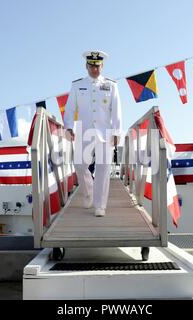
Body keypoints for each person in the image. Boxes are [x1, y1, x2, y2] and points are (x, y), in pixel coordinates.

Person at [64, 50, 122, 217]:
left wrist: (117, 131)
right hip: (84, 132)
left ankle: (100, 206)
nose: (94, 69)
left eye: (97, 66)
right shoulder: (77, 85)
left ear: (102, 66)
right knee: (80, 165)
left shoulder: (112, 85)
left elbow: (116, 110)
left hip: (106, 132)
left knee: (103, 169)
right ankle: (88, 191)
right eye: (91, 66)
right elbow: (70, 108)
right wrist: (69, 127)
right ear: (86, 66)